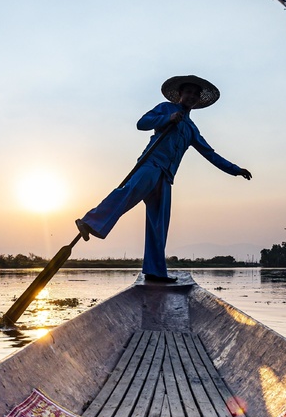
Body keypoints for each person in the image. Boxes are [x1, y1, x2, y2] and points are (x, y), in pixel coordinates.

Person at [76, 75, 251, 283]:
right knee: (127, 193)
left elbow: (210, 154)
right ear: (180, 94)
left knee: (158, 224)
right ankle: (90, 222)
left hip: (167, 177)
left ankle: (155, 271)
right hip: (150, 165)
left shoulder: (192, 129)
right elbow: (142, 123)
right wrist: (166, 119)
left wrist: (235, 169)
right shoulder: (166, 108)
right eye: (188, 92)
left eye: (195, 94)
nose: (191, 96)